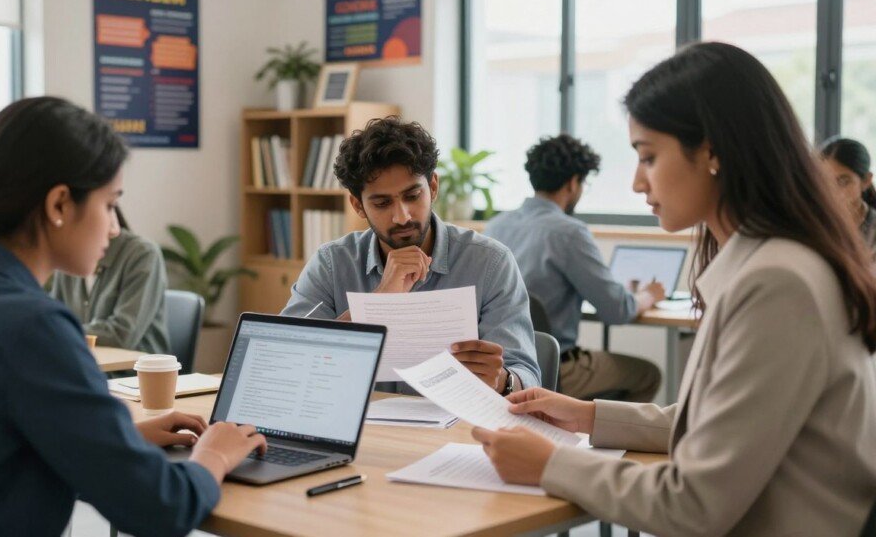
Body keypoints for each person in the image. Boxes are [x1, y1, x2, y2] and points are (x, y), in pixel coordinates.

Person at [472, 42, 876, 536]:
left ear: (711, 151)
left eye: (648, 157)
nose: (639, 183)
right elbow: (714, 424)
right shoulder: (768, 262)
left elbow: (695, 504)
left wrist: (550, 464)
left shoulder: (779, 283)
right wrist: (586, 415)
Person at [0, 97, 266, 537]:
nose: (114, 227)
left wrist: (126, 440)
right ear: (59, 205)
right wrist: (215, 455)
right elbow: (160, 509)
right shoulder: (30, 325)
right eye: (109, 204)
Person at [281, 117, 541, 393]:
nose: (402, 216)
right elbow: (287, 358)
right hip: (364, 428)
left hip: (459, 428)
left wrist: (502, 380)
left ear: (433, 187)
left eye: (412, 196)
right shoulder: (332, 264)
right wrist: (379, 303)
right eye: (382, 203)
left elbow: (527, 375)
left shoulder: (490, 262)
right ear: (358, 205)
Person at [485, 134, 664, 402]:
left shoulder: (496, 225)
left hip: (499, 371)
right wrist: (648, 295)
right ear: (573, 183)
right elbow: (617, 310)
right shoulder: (569, 233)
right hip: (555, 369)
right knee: (648, 374)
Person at [49, 206, 169, 355]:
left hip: (130, 373)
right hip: (83, 363)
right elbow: (53, 318)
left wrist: (58, 330)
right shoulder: (68, 255)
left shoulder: (143, 254)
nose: (113, 229)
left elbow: (122, 334)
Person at [819, 136, 876, 258]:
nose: (832, 191)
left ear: (866, 181)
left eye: (843, 182)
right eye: (825, 181)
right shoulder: (813, 224)